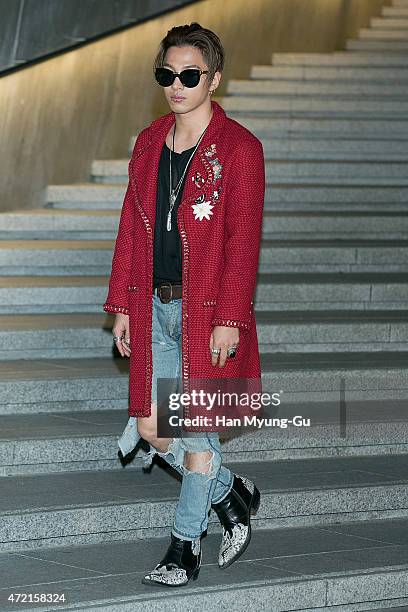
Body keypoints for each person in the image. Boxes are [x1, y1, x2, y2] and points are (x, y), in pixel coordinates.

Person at [103, 22, 265, 587]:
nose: (176, 84)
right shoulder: (149, 142)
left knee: (197, 433)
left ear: (214, 79)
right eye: (166, 74)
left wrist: (229, 320)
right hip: (152, 307)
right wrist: (123, 304)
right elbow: (131, 226)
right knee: (152, 428)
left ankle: (184, 547)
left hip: (205, 313)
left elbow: (243, 241)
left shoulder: (240, 149)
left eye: (189, 75)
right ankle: (231, 492)